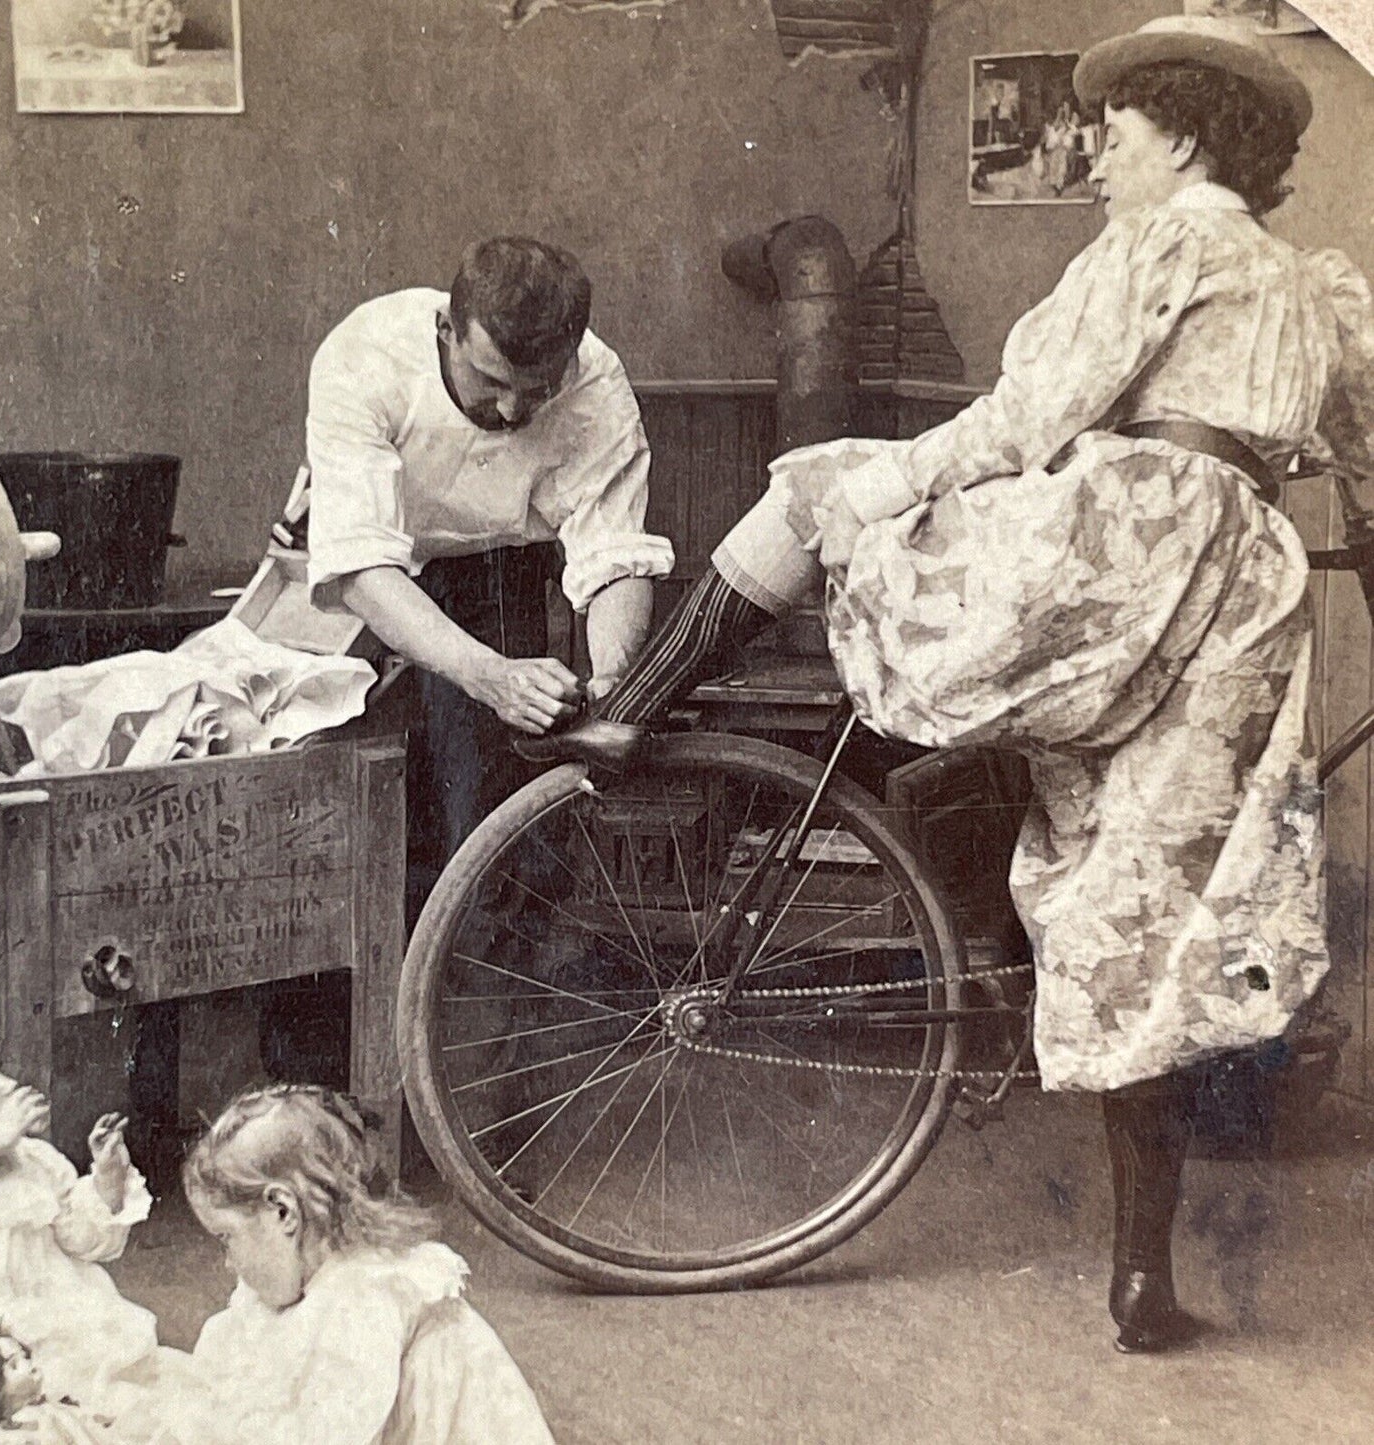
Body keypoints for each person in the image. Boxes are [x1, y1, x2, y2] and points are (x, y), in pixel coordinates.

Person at [527, 15, 1373, 1352]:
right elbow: (1365, 476)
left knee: (817, 492)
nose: (1099, 151)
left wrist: (897, 476)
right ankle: (1140, 1283)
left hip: (1126, 553)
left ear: (1190, 137)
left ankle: (638, 705)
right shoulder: (1317, 289)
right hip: (1242, 608)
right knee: (1135, 911)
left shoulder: (1165, 241)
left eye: (1122, 130)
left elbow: (1032, 417)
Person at [304, 236, 674, 888]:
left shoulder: (594, 379)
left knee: (488, 824)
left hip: (495, 570)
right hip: (367, 577)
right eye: (492, 380)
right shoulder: (364, 354)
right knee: (347, 803)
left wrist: (615, 680)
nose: (510, 411)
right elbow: (359, 566)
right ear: (446, 329)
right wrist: (488, 674)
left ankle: (473, 976)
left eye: (538, 390)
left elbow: (614, 553)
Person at [149, 1084, 555, 1444]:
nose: (228, 1263)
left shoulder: (363, 1297)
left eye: (227, 1238)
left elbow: (335, 1430)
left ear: (282, 1211)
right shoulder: (321, 1270)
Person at [0, 1011, 160, 1413]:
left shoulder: (33, 1159)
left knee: (94, 1373)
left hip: (50, 1308)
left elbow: (82, 1241)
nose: (7, 1084)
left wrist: (107, 1182)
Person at [0, 1308, 122, 1445]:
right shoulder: (11, 1434)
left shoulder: (52, 1405)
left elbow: (86, 1421)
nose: (27, 1364)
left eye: (25, 1356)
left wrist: (105, 1420)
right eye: (14, 1365)